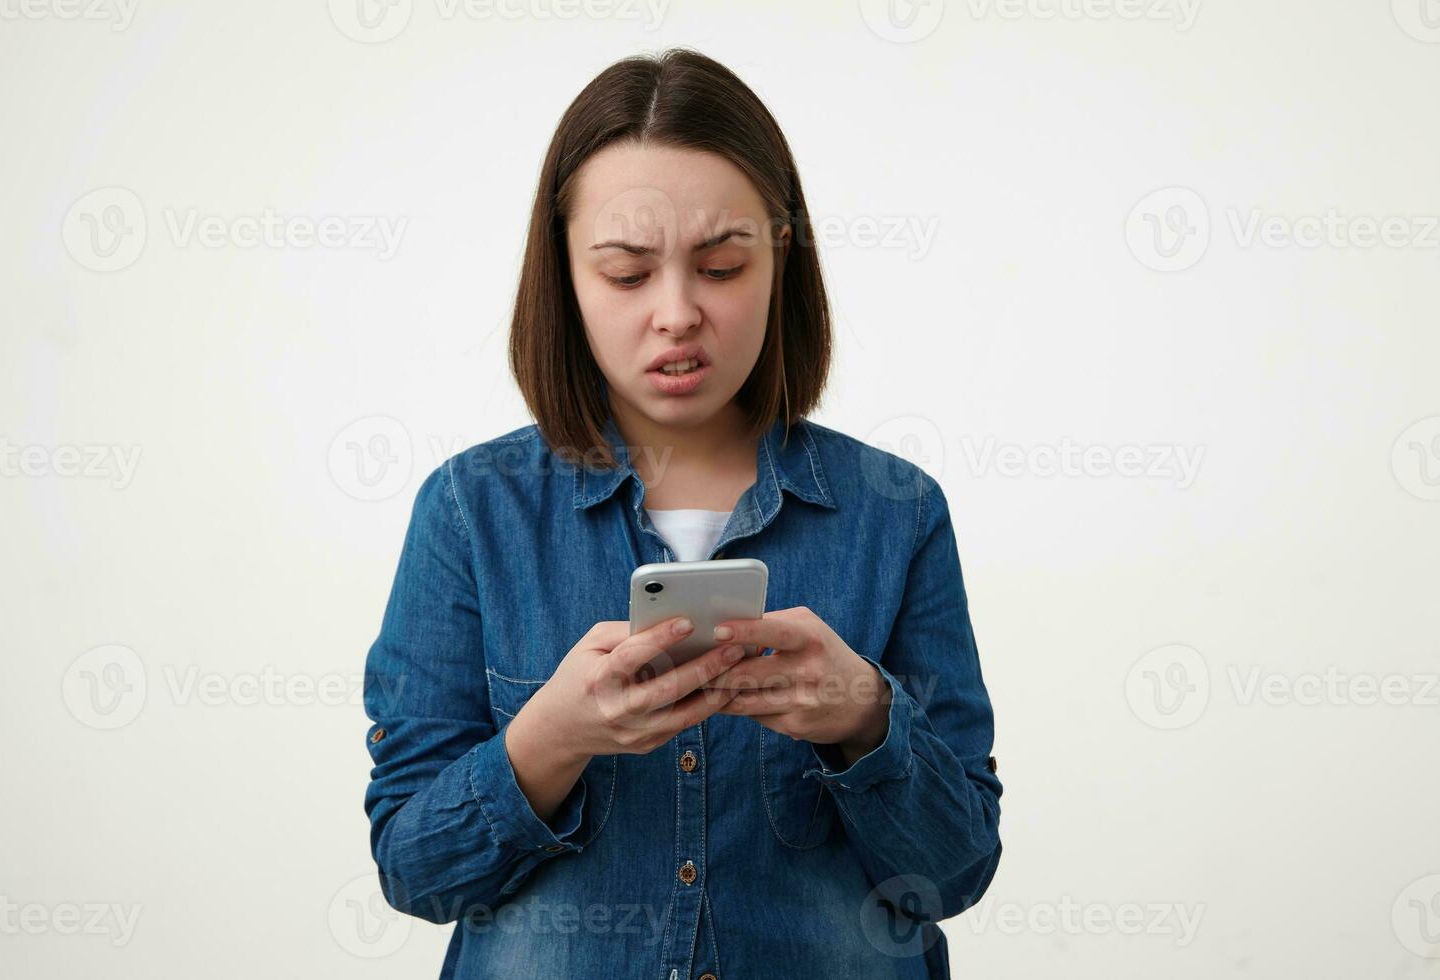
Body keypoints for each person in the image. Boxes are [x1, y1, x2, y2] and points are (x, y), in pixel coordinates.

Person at [362, 47, 1002, 980]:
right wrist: (554, 736)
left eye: (721, 266)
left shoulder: (893, 515)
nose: (676, 314)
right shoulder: (473, 511)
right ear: (566, 276)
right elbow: (416, 874)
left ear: (781, 259)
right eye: (627, 274)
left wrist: (865, 717)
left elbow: (953, 873)